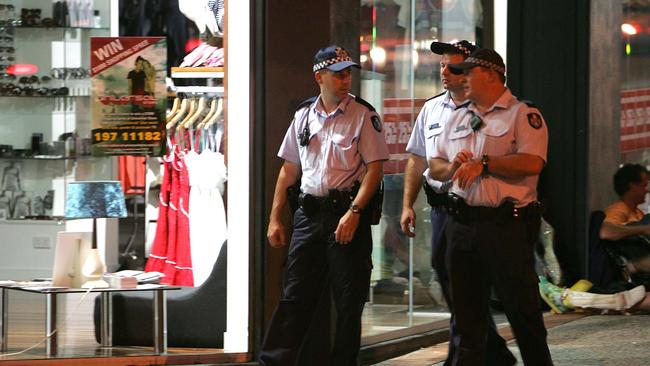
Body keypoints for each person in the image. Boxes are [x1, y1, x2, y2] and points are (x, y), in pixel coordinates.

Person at [259, 45, 389, 366]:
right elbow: (289, 169)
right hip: (308, 216)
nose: (345, 80)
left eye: (348, 74)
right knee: (294, 296)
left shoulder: (364, 115)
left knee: (348, 301)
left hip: (345, 214)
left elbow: (375, 169)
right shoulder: (303, 115)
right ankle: (273, 361)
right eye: (338, 74)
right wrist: (275, 217)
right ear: (320, 77)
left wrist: (355, 213)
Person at [428, 47, 553, 365]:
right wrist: (453, 166)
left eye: (467, 72)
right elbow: (435, 164)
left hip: (504, 227)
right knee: (467, 319)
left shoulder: (523, 114)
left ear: (490, 74)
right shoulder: (459, 116)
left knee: (523, 314)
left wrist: (485, 163)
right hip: (461, 225)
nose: (461, 78)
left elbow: (533, 162)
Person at [400, 40, 515, 366]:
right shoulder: (433, 109)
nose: (445, 73)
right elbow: (417, 159)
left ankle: (464, 357)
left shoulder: (490, 111)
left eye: (453, 67)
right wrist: (408, 204)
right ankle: (494, 354)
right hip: (441, 211)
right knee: (453, 288)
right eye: (442, 67)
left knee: (471, 291)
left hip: (479, 214)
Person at [599, 163, 650, 274]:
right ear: (632, 186)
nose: (647, 190)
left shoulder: (638, 212)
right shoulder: (618, 209)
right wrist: (644, 229)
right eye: (644, 185)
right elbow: (605, 232)